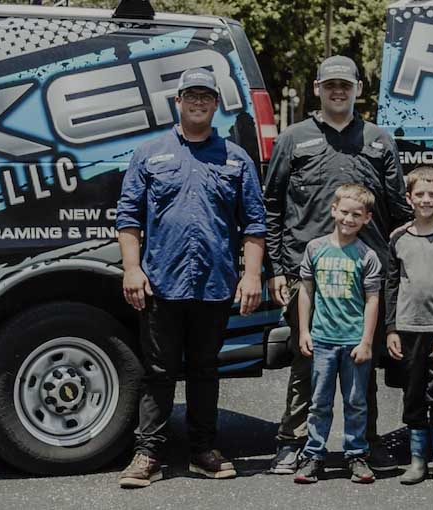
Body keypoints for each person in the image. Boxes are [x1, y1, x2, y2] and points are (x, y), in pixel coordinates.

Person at [115, 68, 266, 488]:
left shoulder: (236, 158)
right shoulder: (150, 153)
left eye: (206, 96)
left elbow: (254, 224)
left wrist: (251, 275)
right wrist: (132, 268)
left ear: (216, 104)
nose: (198, 102)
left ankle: (203, 450)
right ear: (177, 101)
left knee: (204, 369)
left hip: (215, 285)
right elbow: (127, 218)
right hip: (161, 282)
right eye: (190, 95)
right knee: (158, 371)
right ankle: (148, 454)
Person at [264, 55, 413, 473]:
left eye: (345, 85)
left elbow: (399, 210)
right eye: (330, 84)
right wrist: (278, 268)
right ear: (317, 88)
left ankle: (364, 443)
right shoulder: (293, 138)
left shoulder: (380, 140)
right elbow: (272, 205)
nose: (338, 91)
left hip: (367, 274)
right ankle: (293, 443)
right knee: (306, 356)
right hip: (305, 271)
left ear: (358, 90)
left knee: (363, 358)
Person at [291, 183, 382, 484]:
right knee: (319, 402)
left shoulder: (367, 256)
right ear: (333, 210)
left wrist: (367, 341)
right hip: (323, 340)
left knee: (356, 402)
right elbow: (306, 291)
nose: (349, 219)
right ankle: (313, 455)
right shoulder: (315, 249)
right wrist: (304, 330)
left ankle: (356, 455)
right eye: (344, 212)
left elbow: (372, 300)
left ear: (367, 218)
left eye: (357, 214)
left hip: (354, 342)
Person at [385, 167, 433, 487]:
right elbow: (391, 285)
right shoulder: (398, 240)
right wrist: (390, 328)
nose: (426, 200)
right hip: (406, 328)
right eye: (420, 194)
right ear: (409, 198)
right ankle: (417, 460)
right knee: (413, 393)